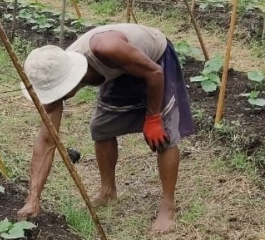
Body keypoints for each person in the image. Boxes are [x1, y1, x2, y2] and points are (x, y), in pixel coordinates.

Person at [16, 23, 195, 234]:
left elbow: (154, 73)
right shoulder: (53, 72)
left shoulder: (105, 49)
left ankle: (168, 206)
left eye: (59, 92)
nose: (56, 98)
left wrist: (153, 117)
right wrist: (33, 198)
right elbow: (47, 139)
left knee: (163, 136)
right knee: (102, 129)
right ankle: (107, 192)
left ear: (71, 79)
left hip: (153, 61)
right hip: (117, 69)